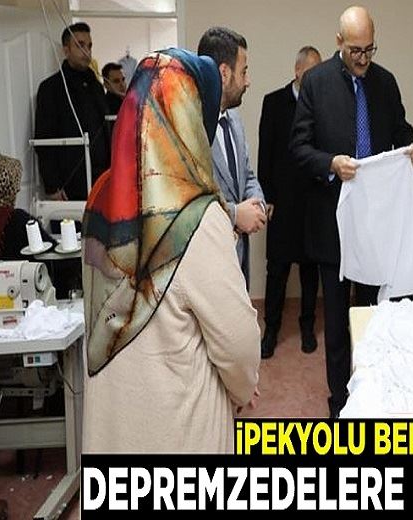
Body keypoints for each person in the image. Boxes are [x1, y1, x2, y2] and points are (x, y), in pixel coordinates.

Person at [81, 48, 260, 453]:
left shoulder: (100, 200)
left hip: (114, 430)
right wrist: (243, 387)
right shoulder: (197, 217)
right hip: (178, 432)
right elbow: (236, 343)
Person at [291, 5, 413, 417]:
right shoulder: (316, 83)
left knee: (374, 319)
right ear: (339, 42)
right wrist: (331, 164)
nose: (363, 58)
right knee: (336, 325)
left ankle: (373, 400)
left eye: (369, 49)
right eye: (355, 50)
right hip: (332, 224)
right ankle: (340, 405)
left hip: (375, 224)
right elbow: (298, 148)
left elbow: (400, 129)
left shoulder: (385, 83)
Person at [258, 46, 322, 359]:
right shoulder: (273, 102)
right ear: (297, 71)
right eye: (312, 72)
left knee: (310, 270)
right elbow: (265, 153)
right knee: (278, 270)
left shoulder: (322, 104)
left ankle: (307, 326)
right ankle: (271, 329)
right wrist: (266, 196)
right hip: (282, 201)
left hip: (312, 202)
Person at [198, 27, 266, 285]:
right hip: (208, 269)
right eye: (244, 71)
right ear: (224, 74)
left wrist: (257, 204)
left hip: (238, 263)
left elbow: (247, 175)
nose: (248, 81)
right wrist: (236, 215)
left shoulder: (234, 119)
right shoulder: (192, 126)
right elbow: (190, 203)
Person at [34, 22, 110, 201]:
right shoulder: (51, 88)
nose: (87, 51)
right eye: (80, 45)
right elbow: (44, 139)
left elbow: (106, 131)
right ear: (66, 50)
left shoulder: (97, 87)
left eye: (89, 46)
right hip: (70, 184)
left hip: (102, 180)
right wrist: (52, 185)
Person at [0, 154, 50, 262]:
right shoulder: (17, 221)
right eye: (14, 183)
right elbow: (52, 256)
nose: (18, 189)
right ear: (4, 186)